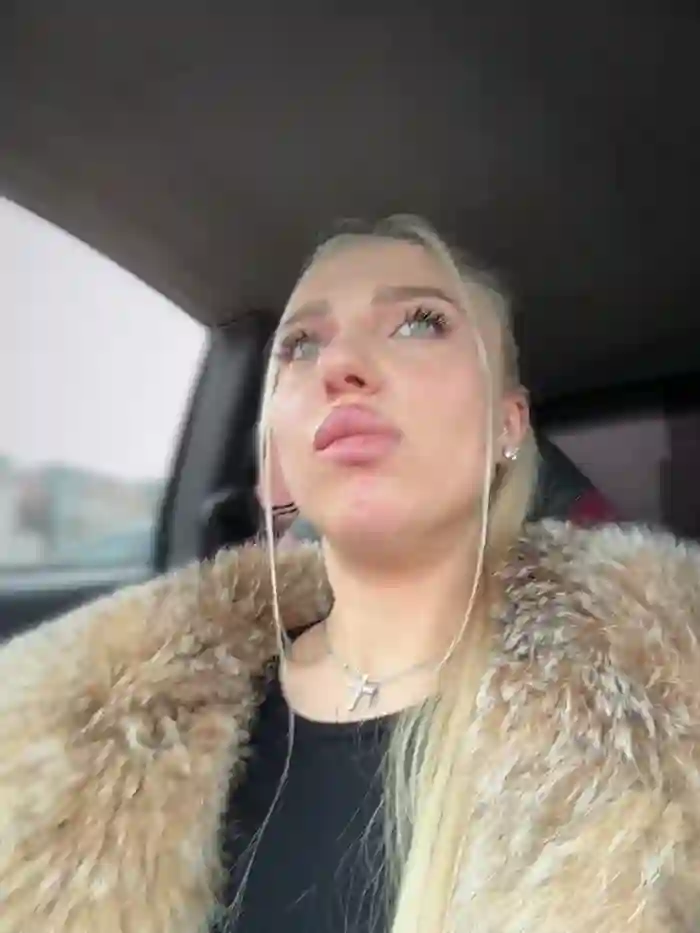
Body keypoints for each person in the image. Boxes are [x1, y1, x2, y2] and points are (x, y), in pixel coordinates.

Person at [1, 216, 699, 933]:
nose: (339, 365)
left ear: (508, 425)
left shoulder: (674, 709)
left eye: (420, 323)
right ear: (278, 439)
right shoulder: (77, 735)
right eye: (301, 344)